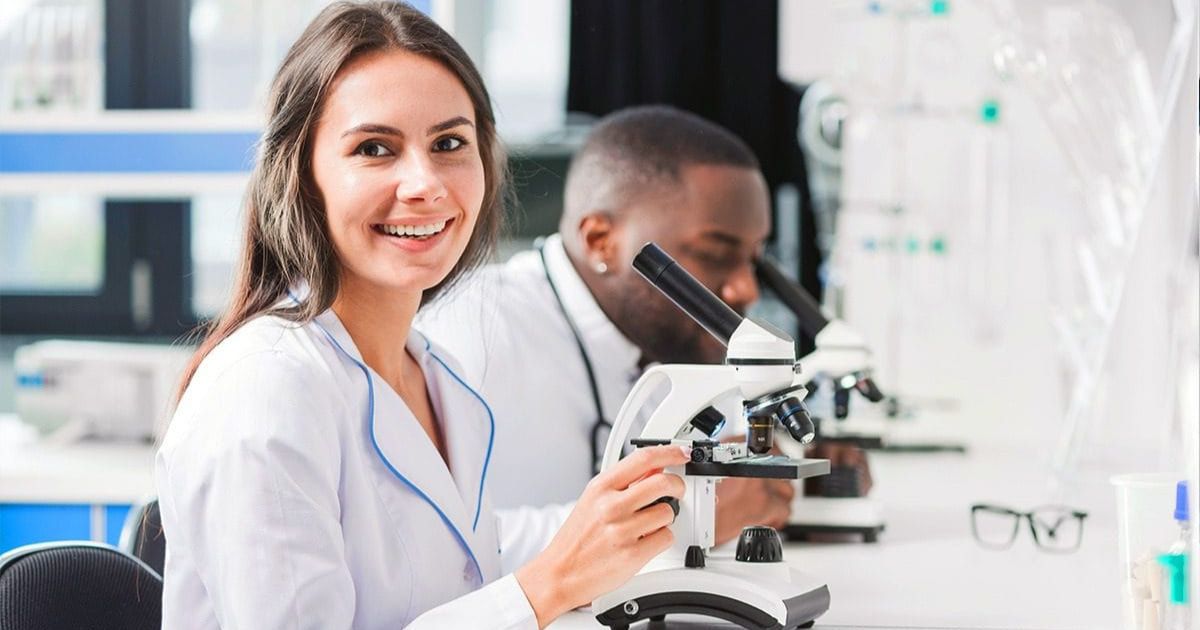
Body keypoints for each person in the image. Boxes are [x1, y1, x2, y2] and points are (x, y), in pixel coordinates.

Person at [156, 4, 692, 628]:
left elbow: (466, 565)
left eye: (449, 143)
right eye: (375, 148)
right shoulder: (266, 388)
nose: (426, 183)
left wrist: (629, 517)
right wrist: (545, 586)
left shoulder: (435, 374)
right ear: (302, 178)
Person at [422, 105, 871, 556]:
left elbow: (740, 471)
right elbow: (439, 549)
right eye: (715, 253)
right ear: (601, 240)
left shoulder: (672, 335)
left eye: (754, 260)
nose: (744, 287)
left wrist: (797, 475)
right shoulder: (472, 334)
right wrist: (681, 518)